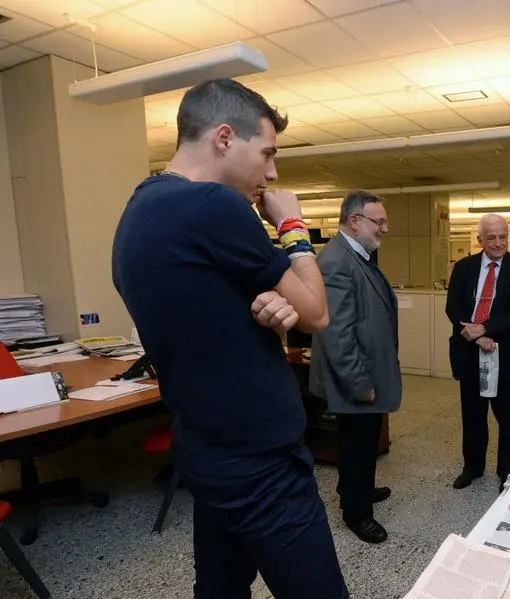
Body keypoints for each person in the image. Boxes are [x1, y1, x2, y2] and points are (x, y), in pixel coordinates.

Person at [112, 79, 349, 599]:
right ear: (224, 137)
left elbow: (212, 311)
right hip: (260, 460)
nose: (272, 172)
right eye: (266, 153)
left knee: (220, 589)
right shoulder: (212, 209)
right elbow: (317, 313)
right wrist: (291, 225)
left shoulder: (137, 214)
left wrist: (268, 308)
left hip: (204, 446)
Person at [309, 190, 401, 545]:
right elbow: (337, 333)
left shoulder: (357, 256)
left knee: (360, 441)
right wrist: (360, 382)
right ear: (354, 221)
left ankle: (357, 488)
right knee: (357, 443)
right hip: (355, 376)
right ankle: (356, 512)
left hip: (366, 369)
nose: (384, 229)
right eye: (379, 222)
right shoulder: (336, 262)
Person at [445, 214, 510, 493]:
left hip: (505, 351)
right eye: (491, 237)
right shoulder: (464, 267)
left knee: (508, 417)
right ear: (480, 239)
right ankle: (472, 466)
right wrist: (473, 334)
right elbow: (453, 306)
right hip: (469, 350)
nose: (498, 243)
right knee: (472, 414)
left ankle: (508, 472)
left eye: (503, 236)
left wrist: (484, 330)